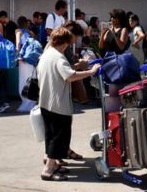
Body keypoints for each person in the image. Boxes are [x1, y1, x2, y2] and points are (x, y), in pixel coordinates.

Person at [37, 27, 101, 181]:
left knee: (50, 135)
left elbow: (61, 72)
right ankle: (47, 170)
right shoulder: (59, 57)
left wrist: (78, 66)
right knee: (59, 137)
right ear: (65, 43)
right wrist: (91, 72)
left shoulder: (47, 54)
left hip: (45, 102)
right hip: (58, 104)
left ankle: (53, 165)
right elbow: (70, 76)